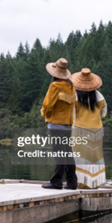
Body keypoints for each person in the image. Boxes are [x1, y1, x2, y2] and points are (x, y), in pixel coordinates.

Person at [40, 58, 78, 190]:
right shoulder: (71, 85)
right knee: (68, 153)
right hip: (68, 124)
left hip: (56, 123)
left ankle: (56, 182)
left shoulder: (55, 86)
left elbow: (47, 104)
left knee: (59, 154)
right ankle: (72, 182)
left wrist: (44, 113)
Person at [70, 68, 107, 189]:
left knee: (80, 157)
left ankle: (81, 183)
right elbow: (103, 113)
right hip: (97, 129)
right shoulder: (99, 96)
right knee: (95, 157)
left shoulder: (75, 96)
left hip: (80, 129)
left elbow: (72, 114)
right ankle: (94, 183)